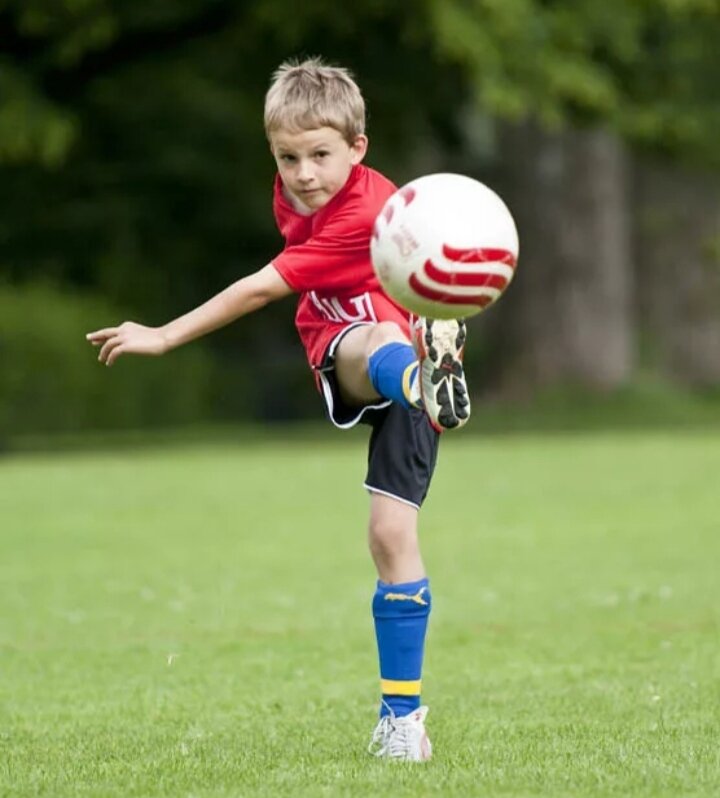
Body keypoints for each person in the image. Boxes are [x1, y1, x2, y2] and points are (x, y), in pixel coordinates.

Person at [86, 57, 470, 762]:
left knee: (390, 534)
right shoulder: (296, 193)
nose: (302, 173)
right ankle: (417, 374)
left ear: (358, 149)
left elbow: (260, 288)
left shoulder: (360, 214)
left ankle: (402, 721)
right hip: (373, 353)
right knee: (376, 363)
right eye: (288, 157)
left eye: (320, 155)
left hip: (379, 345)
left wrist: (165, 334)